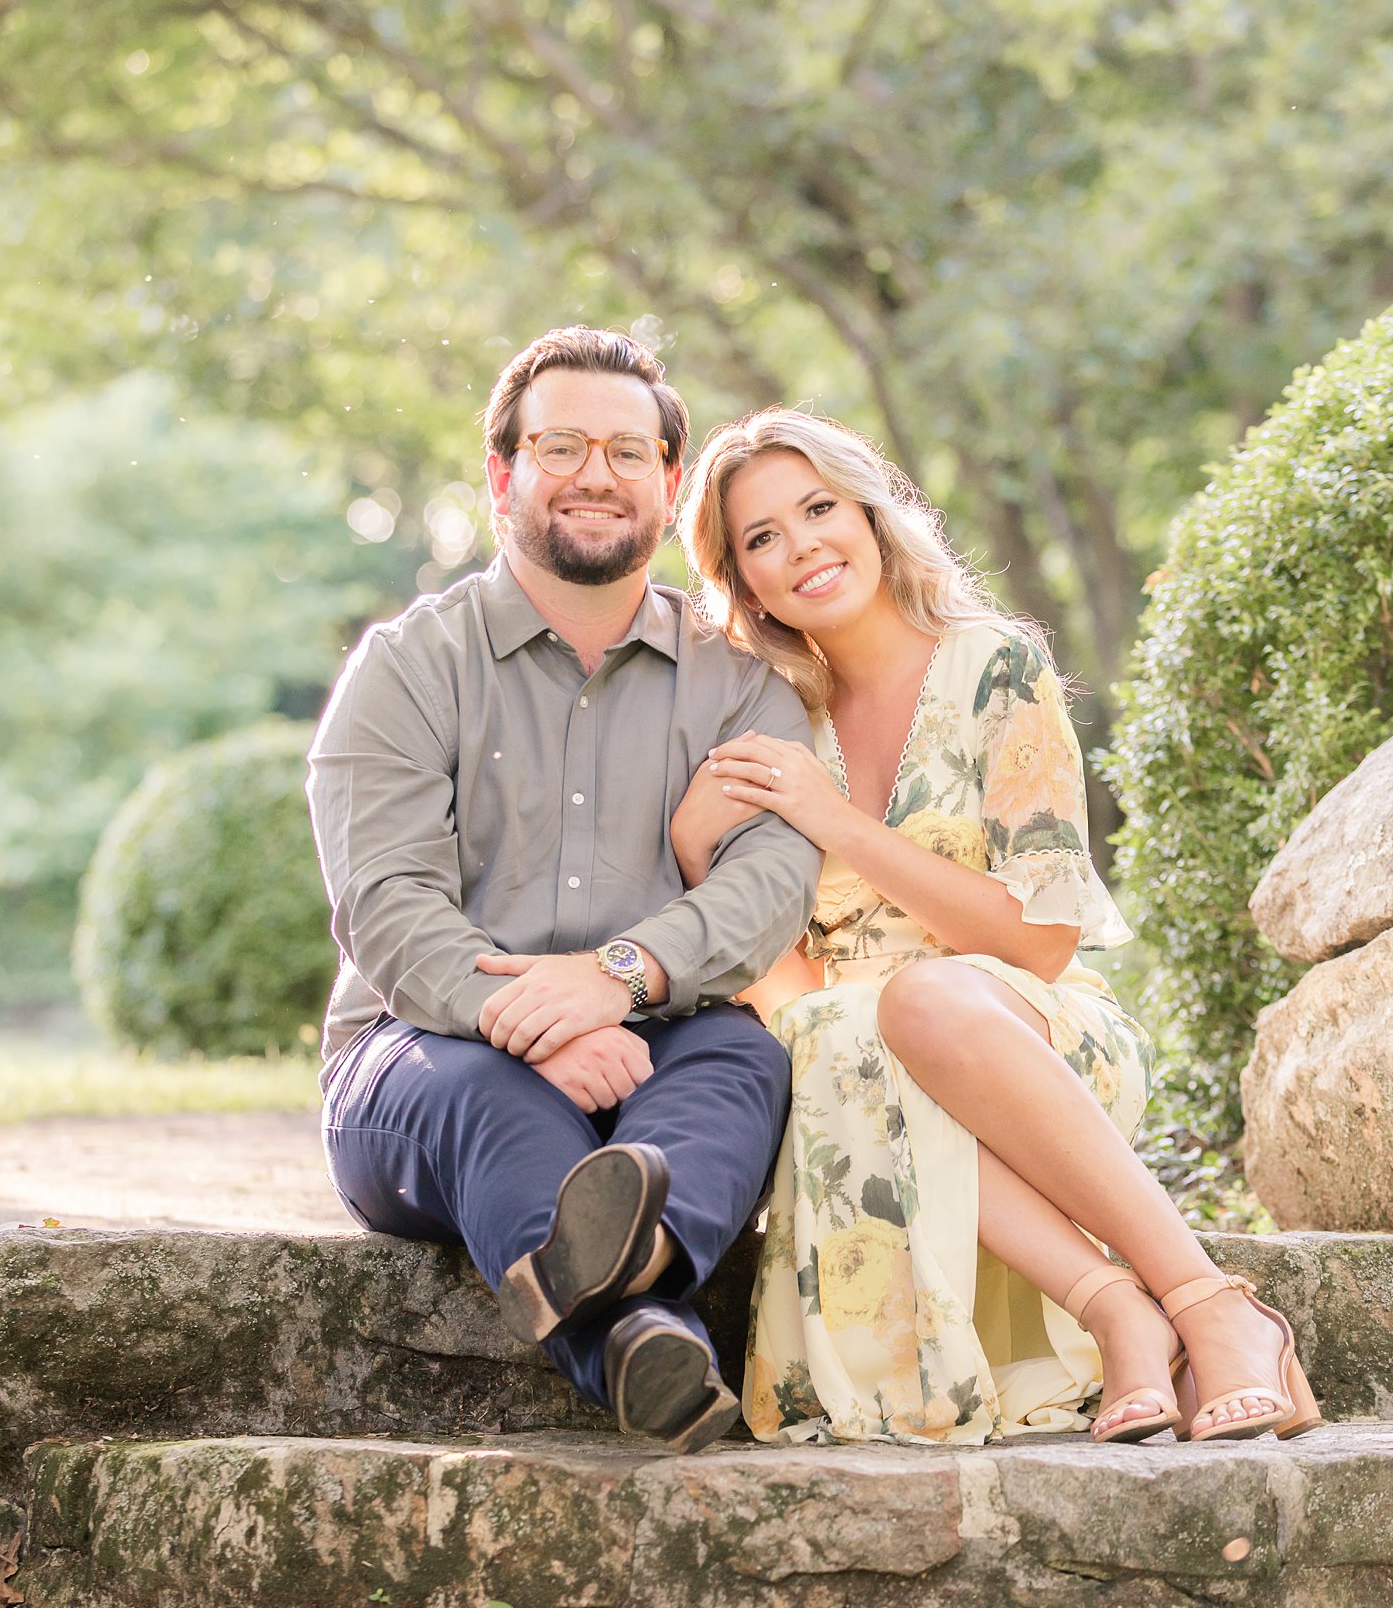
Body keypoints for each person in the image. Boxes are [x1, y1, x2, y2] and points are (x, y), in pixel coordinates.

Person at [675, 409, 1321, 1450]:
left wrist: (833, 821)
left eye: (817, 509)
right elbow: (791, 995)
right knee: (837, 1033)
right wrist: (696, 852)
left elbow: (1039, 942)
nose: (798, 547)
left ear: (872, 516)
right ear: (742, 582)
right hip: (860, 1070)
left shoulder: (993, 667)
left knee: (916, 998)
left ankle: (1208, 1302)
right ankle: (1119, 1313)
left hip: (1031, 1035)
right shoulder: (769, 724)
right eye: (759, 539)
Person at [307, 330, 822, 1453]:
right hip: (427, 1055)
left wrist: (616, 978)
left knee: (743, 1062)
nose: (596, 473)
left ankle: (631, 1313)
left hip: (658, 1040)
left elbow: (772, 880)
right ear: (501, 476)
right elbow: (388, 906)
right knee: (486, 1097)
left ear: (668, 483)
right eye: (562, 445)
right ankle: (632, 1326)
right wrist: (532, 1023)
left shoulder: (740, 681)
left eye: (627, 452)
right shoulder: (406, 669)